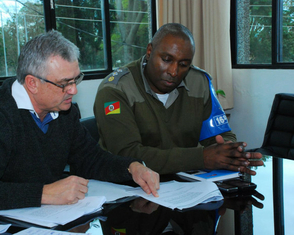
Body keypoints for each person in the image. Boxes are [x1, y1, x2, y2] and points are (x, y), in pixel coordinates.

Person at [0, 30, 159, 215]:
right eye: (64, 84)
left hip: (48, 219)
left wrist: (131, 167)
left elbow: (90, 159)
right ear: (32, 83)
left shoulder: (64, 112)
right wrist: (44, 193)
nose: (73, 90)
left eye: (75, 79)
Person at [94, 23, 263, 175]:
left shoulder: (199, 82)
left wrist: (229, 154)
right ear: (149, 51)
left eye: (183, 65)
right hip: (127, 189)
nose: (174, 72)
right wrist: (201, 158)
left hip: (184, 185)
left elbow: (220, 135)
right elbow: (127, 155)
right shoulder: (115, 90)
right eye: (167, 60)